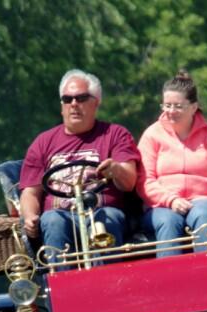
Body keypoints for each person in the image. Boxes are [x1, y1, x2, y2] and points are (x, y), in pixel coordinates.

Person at [18, 69, 140, 258]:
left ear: (96, 102)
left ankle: (107, 283)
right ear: (62, 106)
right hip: (59, 215)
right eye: (67, 99)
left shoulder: (115, 134)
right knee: (51, 220)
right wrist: (30, 216)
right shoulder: (43, 142)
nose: (74, 105)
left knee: (106, 219)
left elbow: (130, 181)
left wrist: (116, 169)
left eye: (81, 98)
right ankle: (60, 282)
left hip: (101, 212)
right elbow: (30, 192)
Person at [137, 70, 207, 257]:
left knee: (204, 215)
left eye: (178, 106)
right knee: (169, 221)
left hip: (202, 200)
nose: (171, 111)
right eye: (167, 105)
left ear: (193, 107)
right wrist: (170, 200)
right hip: (162, 205)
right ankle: (168, 282)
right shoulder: (151, 135)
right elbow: (144, 180)